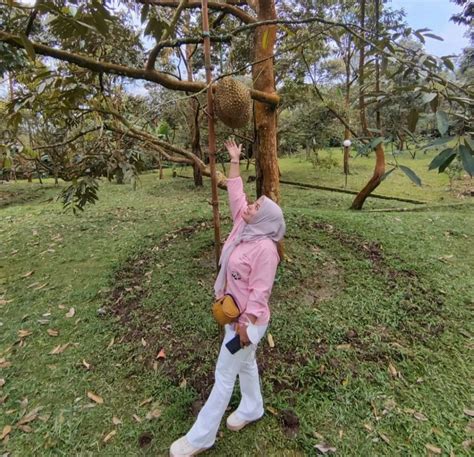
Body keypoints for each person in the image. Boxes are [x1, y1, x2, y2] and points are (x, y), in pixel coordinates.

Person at [170, 139, 286, 457]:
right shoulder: (243, 226)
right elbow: (236, 191)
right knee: (245, 366)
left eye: (256, 208)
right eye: (253, 204)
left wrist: (245, 326)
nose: (250, 207)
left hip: (247, 322)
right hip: (232, 314)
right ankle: (252, 406)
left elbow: (260, 293)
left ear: (266, 221)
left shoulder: (265, 249)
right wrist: (234, 160)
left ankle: (201, 436)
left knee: (224, 374)